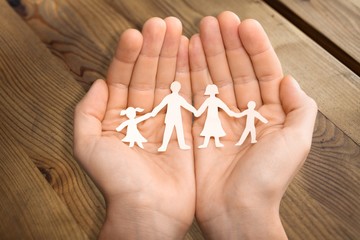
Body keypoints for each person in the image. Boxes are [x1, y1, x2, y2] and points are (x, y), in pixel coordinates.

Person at [73, 11, 317, 240]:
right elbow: (168, 109)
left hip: (190, 121)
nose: (177, 89)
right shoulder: (173, 98)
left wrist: (247, 208)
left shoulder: (192, 100)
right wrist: (140, 210)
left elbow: (197, 109)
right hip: (171, 120)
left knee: (201, 131)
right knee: (178, 131)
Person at [151, 81, 197, 152]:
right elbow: (161, 105)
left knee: (180, 131)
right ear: (171, 88)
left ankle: (182, 144)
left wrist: (194, 111)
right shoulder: (168, 97)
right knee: (168, 131)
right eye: (174, 87)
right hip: (170, 118)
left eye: (177, 87)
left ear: (179, 88)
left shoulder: (179, 98)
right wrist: (154, 111)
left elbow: (187, 105)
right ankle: (164, 146)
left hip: (177, 118)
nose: (176, 88)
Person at [195, 84, 238, 148]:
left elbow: (224, 107)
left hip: (215, 118)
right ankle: (205, 144)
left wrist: (230, 113)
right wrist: (197, 113)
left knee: (215, 129)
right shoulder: (209, 100)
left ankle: (216, 143)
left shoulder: (216, 100)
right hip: (209, 118)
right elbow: (202, 108)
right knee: (208, 129)